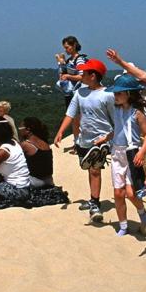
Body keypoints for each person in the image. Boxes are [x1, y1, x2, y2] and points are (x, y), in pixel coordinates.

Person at [53, 58, 115, 223]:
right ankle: (93, 197)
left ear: (93, 76)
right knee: (88, 168)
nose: (82, 75)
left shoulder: (108, 94)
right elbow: (71, 113)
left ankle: (95, 204)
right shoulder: (80, 93)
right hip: (83, 139)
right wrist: (60, 131)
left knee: (95, 170)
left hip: (101, 140)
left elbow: (115, 119)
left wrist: (110, 137)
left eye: (85, 73)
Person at [106, 74, 146, 237]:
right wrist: (106, 138)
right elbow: (118, 130)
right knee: (118, 193)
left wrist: (141, 152)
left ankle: (144, 217)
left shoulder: (137, 113)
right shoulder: (116, 110)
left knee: (131, 193)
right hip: (117, 152)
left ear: (129, 94)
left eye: (119, 93)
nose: (115, 96)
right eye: (115, 93)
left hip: (132, 153)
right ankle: (123, 225)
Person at [55, 36, 88, 153]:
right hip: (71, 93)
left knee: (78, 119)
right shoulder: (69, 61)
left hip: (79, 92)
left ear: (74, 45)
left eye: (67, 47)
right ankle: (77, 143)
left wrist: (68, 76)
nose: (66, 50)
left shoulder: (79, 59)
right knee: (74, 119)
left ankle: (81, 144)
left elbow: (82, 76)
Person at [19, 117, 54, 188]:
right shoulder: (45, 143)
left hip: (36, 182)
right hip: (49, 180)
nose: (19, 130)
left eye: (20, 128)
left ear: (28, 130)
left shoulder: (25, 145)